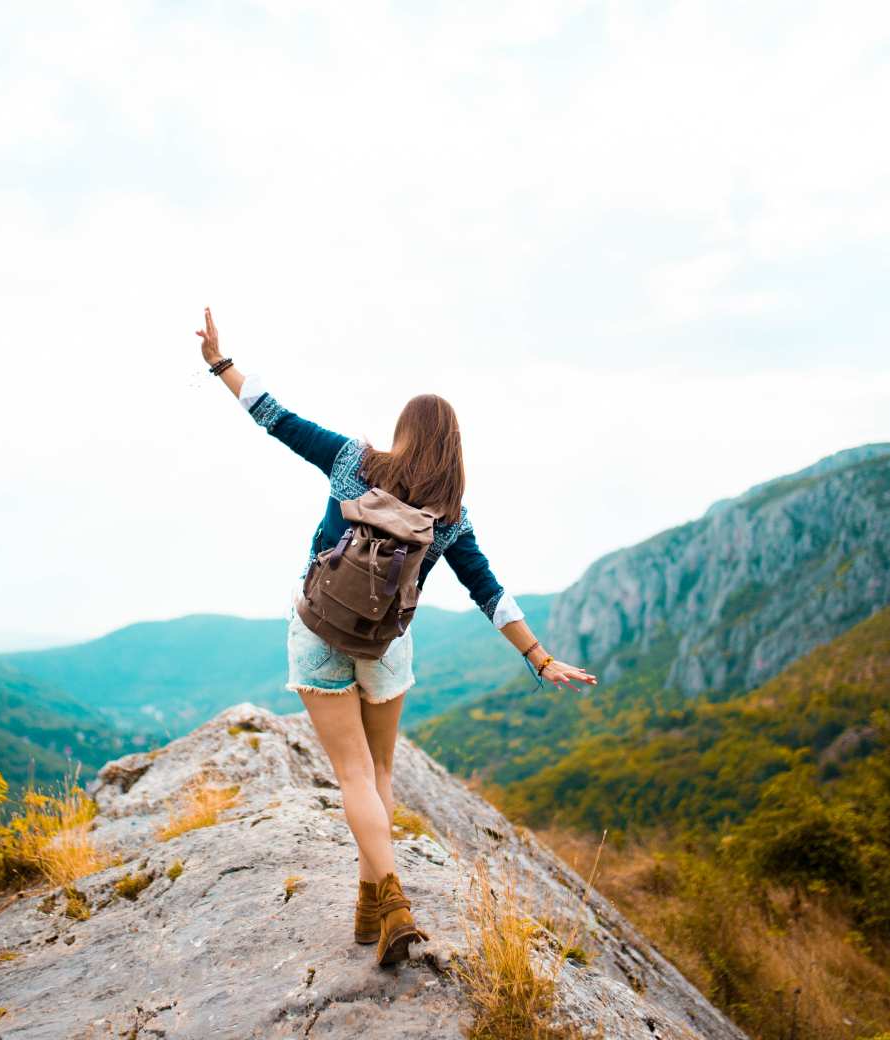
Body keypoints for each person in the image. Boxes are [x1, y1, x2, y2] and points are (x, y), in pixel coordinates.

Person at [195, 307, 597, 966]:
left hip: (319, 630)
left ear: (404, 432)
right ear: (454, 446)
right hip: (386, 648)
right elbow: (489, 593)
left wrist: (219, 364)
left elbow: (274, 415)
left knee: (352, 776)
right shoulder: (450, 518)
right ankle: (371, 907)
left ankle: (392, 905)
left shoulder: (354, 461)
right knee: (379, 773)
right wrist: (539, 656)